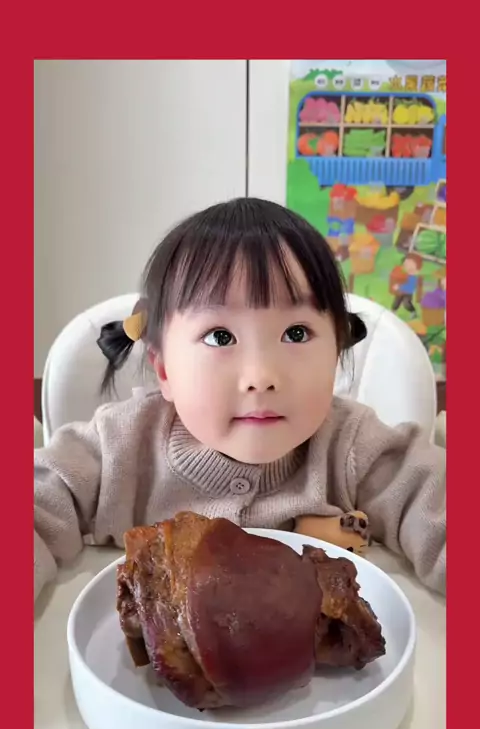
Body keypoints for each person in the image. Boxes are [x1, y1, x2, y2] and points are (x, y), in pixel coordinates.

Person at [34, 198, 445, 600]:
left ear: (336, 353)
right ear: (164, 370)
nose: (261, 378)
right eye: (220, 337)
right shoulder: (115, 449)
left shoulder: (354, 446)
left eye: (296, 333)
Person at [389, 253, 424, 318]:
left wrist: (399, 286)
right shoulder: (401, 272)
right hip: (400, 291)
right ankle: (393, 311)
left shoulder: (412, 276)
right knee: (396, 301)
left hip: (407, 292)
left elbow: (410, 287)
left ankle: (413, 312)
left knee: (406, 303)